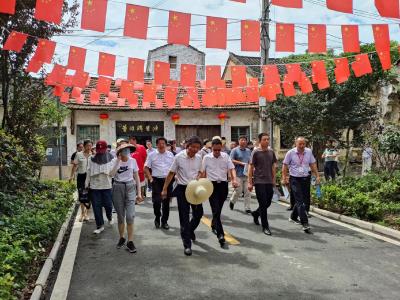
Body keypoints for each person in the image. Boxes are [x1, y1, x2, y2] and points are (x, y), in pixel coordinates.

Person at [161, 136, 203, 256]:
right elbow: (171, 173)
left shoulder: (199, 157)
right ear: (187, 146)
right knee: (184, 217)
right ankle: (187, 245)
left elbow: (200, 171)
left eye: (197, 148)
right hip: (182, 189)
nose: (195, 149)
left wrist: (199, 178)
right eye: (193, 147)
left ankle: (189, 231)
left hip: (194, 188)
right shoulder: (179, 157)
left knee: (198, 214)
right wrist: (164, 189)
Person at [201, 139, 239, 247]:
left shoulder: (225, 156)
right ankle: (221, 235)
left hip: (223, 185)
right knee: (216, 209)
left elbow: (232, 169)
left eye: (219, 150)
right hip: (211, 185)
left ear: (221, 148)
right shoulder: (206, 158)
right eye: (215, 150)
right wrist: (200, 184)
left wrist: (234, 180)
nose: (217, 152)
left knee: (218, 209)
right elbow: (203, 172)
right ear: (211, 148)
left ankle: (214, 223)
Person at [282, 137, 320, 233]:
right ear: (296, 144)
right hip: (294, 179)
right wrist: (284, 177)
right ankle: (305, 223)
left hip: (306, 178)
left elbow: (313, 164)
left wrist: (317, 176)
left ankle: (293, 217)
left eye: (304, 144)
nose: (302, 146)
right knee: (300, 201)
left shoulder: (308, 152)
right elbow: (285, 165)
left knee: (304, 199)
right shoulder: (290, 153)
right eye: (300, 144)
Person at [110, 143, 143, 253]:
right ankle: (121, 237)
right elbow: (111, 175)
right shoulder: (114, 161)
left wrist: (139, 193)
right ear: (119, 152)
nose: (126, 151)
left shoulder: (132, 161)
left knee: (130, 216)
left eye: (128, 150)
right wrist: (118, 162)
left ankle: (130, 241)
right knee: (120, 216)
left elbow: (137, 177)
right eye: (124, 150)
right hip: (117, 187)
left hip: (130, 187)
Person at [248, 133, 277, 236]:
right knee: (263, 204)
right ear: (260, 141)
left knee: (268, 202)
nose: (267, 141)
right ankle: (265, 226)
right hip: (259, 181)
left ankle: (256, 213)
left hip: (269, 181)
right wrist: (250, 182)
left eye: (268, 139)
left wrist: (274, 179)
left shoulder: (271, 152)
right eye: (264, 139)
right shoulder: (255, 152)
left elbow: (273, 166)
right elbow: (250, 167)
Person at [144, 137, 175, 230]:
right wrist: (150, 179)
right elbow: (145, 168)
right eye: (160, 143)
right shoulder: (152, 155)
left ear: (166, 145)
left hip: (168, 180)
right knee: (156, 202)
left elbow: (174, 168)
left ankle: (164, 221)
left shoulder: (171, 155)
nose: (161, 145)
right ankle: (157, 217)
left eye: (163, 144)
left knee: (166, 202)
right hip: (156, 181)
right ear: (156, 145)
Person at [85, 140, 115, 234]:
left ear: (106, 149)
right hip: (95, 187)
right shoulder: (91, 158)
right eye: (99, 150)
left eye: (102, 149)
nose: (100, 152)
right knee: (96, 207)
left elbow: (113, 173)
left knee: (108, 205)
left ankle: (109, 217)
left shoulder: (111, 158)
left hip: (107, 186)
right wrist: (86, 184)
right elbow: (89, 171)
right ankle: (100, 225)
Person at [69, 139, 92, 222]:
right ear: (84, 146)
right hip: (81, 177)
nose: (89, 147)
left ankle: (87, 213)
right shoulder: (78, 154)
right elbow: (74, 166)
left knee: (89, 196)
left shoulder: (93, 155)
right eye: (87, 146)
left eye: (90, 146)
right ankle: (82, 213)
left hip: (90, 178)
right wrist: (71, 176)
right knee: (81, 195)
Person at [229, 136, 252, 213]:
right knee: (238, 190)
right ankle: (232, 201)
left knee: (247, 191)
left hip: (247, 174)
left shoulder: (248, 151)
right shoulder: (234, 150)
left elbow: (250, 161)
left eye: (245, 140)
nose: (243, 141)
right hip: (238, 173)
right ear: (238, 141)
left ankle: (247, 208)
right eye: (241, 140)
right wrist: (241, 163)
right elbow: (231, 160)